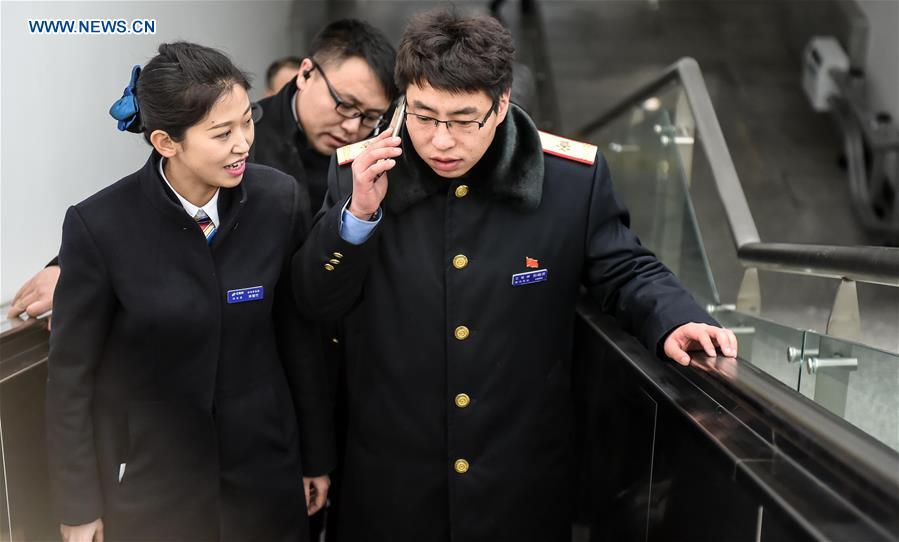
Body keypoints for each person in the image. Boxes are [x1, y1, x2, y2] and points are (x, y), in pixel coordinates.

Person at [293, 10, 739, 541]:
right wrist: (358, 216)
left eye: (463, 120)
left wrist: (676, 319)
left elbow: (624, 267)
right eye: (423, 116)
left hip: (519, 479)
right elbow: (316, 299)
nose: (440, 141)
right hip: (391, 480)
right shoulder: (360, 170)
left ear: (502, 103)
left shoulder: (570, 179)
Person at [47, 42, 331, 542]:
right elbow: (72, 378)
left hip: (266, 475)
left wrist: (315, 457)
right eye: (222, 134)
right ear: (166, 142)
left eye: (248, 121)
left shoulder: (278, 201)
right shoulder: (100, 226)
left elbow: (299, 340)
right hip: (154, 488)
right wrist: (79, 506)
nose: (243, 144)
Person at [6, 19, 397, 325]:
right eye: (345, 105)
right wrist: (66, 266)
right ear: (306, 73)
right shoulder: (240, 139)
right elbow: (158, 199)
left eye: (370, 117)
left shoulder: (372, 152)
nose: (353, 126)